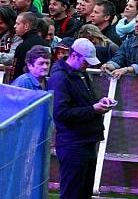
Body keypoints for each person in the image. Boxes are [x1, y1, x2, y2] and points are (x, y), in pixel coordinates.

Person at [47, 38, 115, 199]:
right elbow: (61, 113)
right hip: (73, 143)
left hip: (85, 141)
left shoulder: (79, 73)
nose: (89, 65)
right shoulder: (60, 78)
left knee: (83, 192)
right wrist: (93, 109)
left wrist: (98, 103)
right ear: (75, 55)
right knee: (73, 192)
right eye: (86, 61)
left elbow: (82, 101)